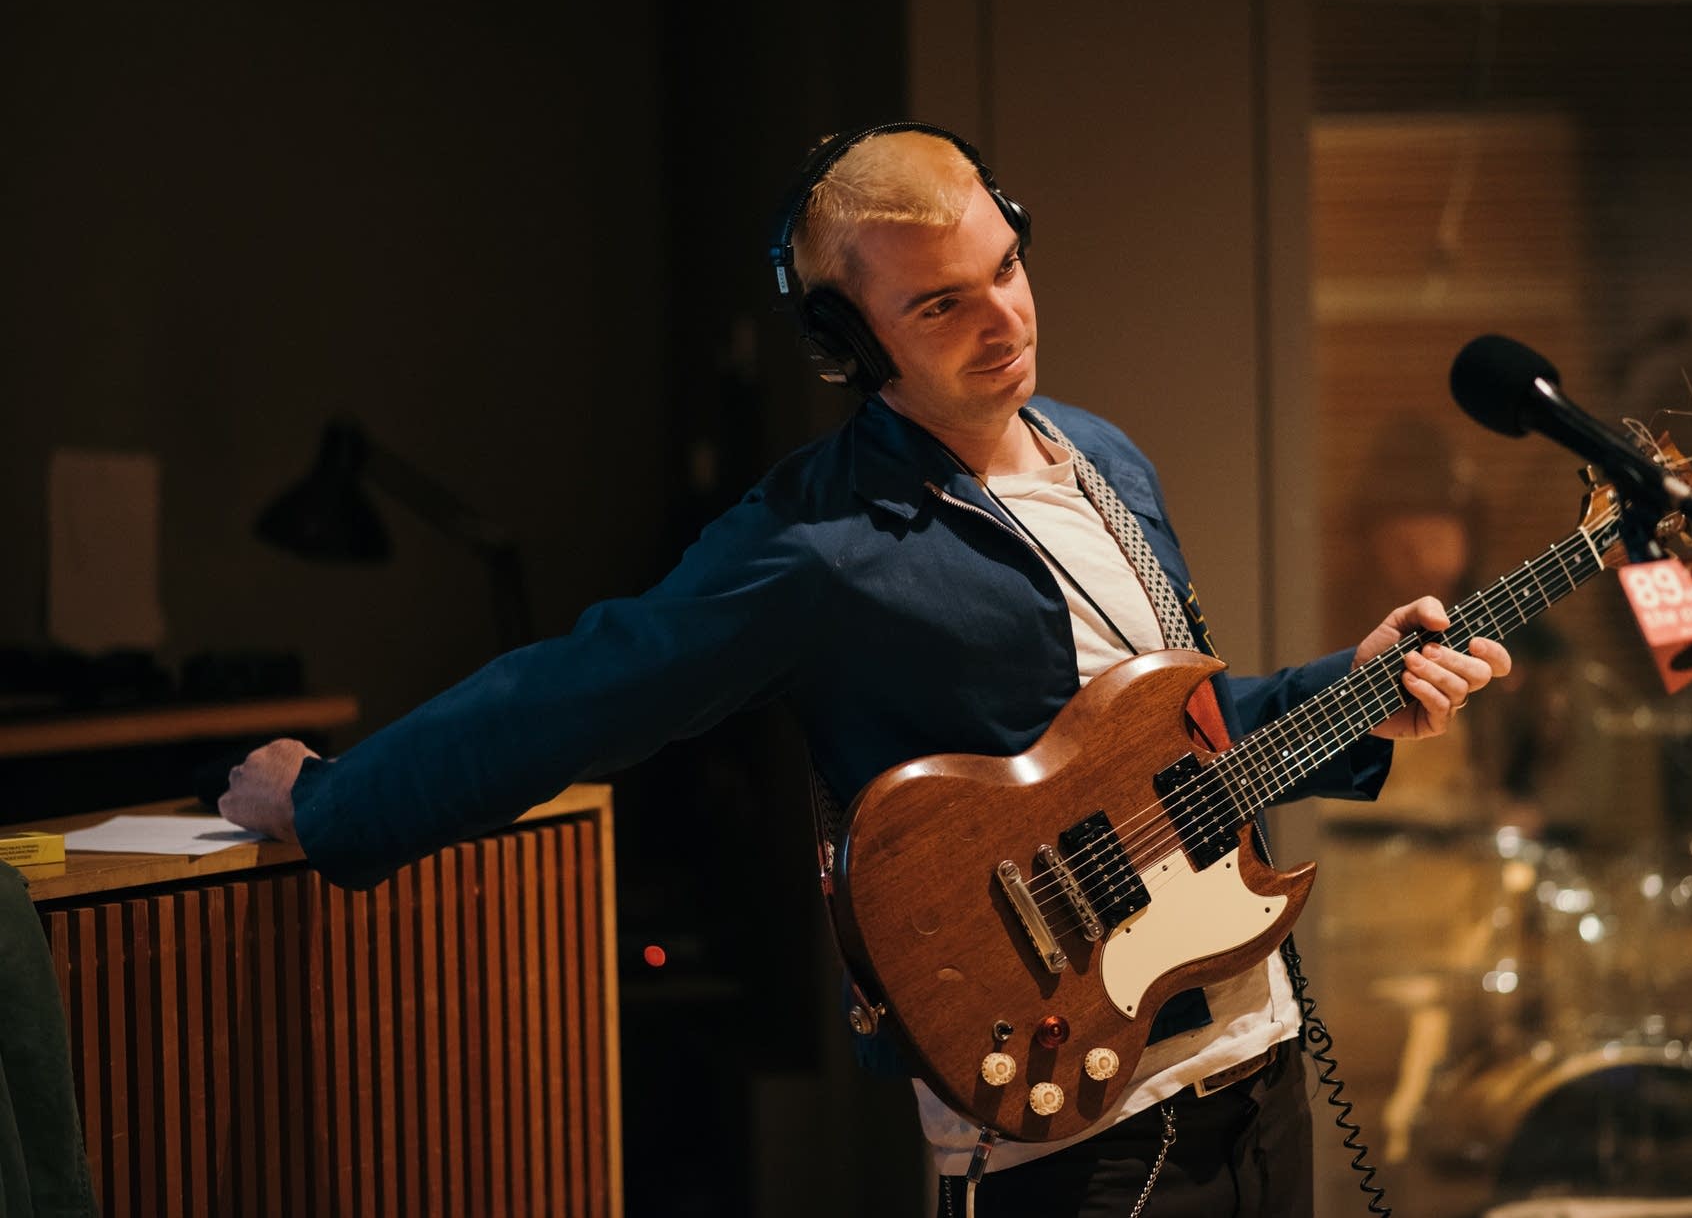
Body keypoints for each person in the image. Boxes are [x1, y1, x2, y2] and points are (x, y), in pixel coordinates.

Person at [219, 122, 1512, 1216]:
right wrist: (329, 804)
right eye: (939, 303)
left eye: (1005, 269)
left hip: (1260, 1060)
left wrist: (1356, 690)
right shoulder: (811, 550)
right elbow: (569, 696)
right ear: (848, 344)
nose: (1001, 318)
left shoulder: (1104, 459)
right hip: (1078, 1137)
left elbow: (1180, 735)